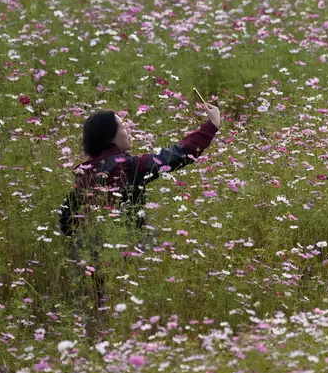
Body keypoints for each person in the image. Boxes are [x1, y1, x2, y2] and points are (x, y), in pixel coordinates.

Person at [60, 102, 222, 329]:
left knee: (95, 315)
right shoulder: (129, 166)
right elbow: (175, 156)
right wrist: (211, 126)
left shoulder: (85, 172)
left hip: (86, 255)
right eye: (123, 126)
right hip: (127, 254)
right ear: (111, 137)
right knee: (130, 311)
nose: (128, 130)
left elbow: (66, 221)